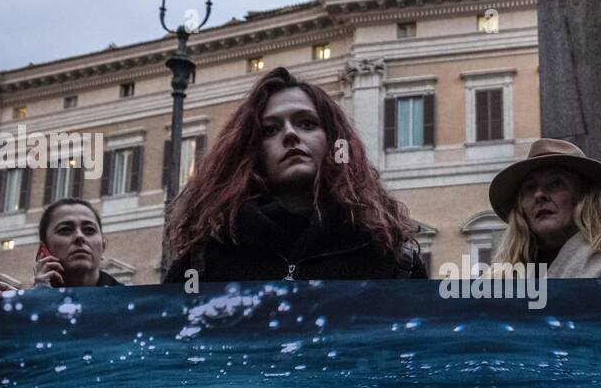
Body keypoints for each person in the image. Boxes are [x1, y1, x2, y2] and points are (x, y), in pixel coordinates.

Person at [162, 67, 426, 283]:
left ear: (334, 143)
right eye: (270, 130)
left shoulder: (390, 257)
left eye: (307, 123)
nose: (290, 134)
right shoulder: (203, 262)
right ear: (251, 151)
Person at [488, 138, 601, 277]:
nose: (539, 195)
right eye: (529, 188)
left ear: (586, 198)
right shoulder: (500, 284)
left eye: (556, 183)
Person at [0, 198, 123, 298]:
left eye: (89, 230)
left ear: (103, 245)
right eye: (65, 230)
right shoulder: (22, 305)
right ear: (43, 251)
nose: (80, 237)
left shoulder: (132, 301)